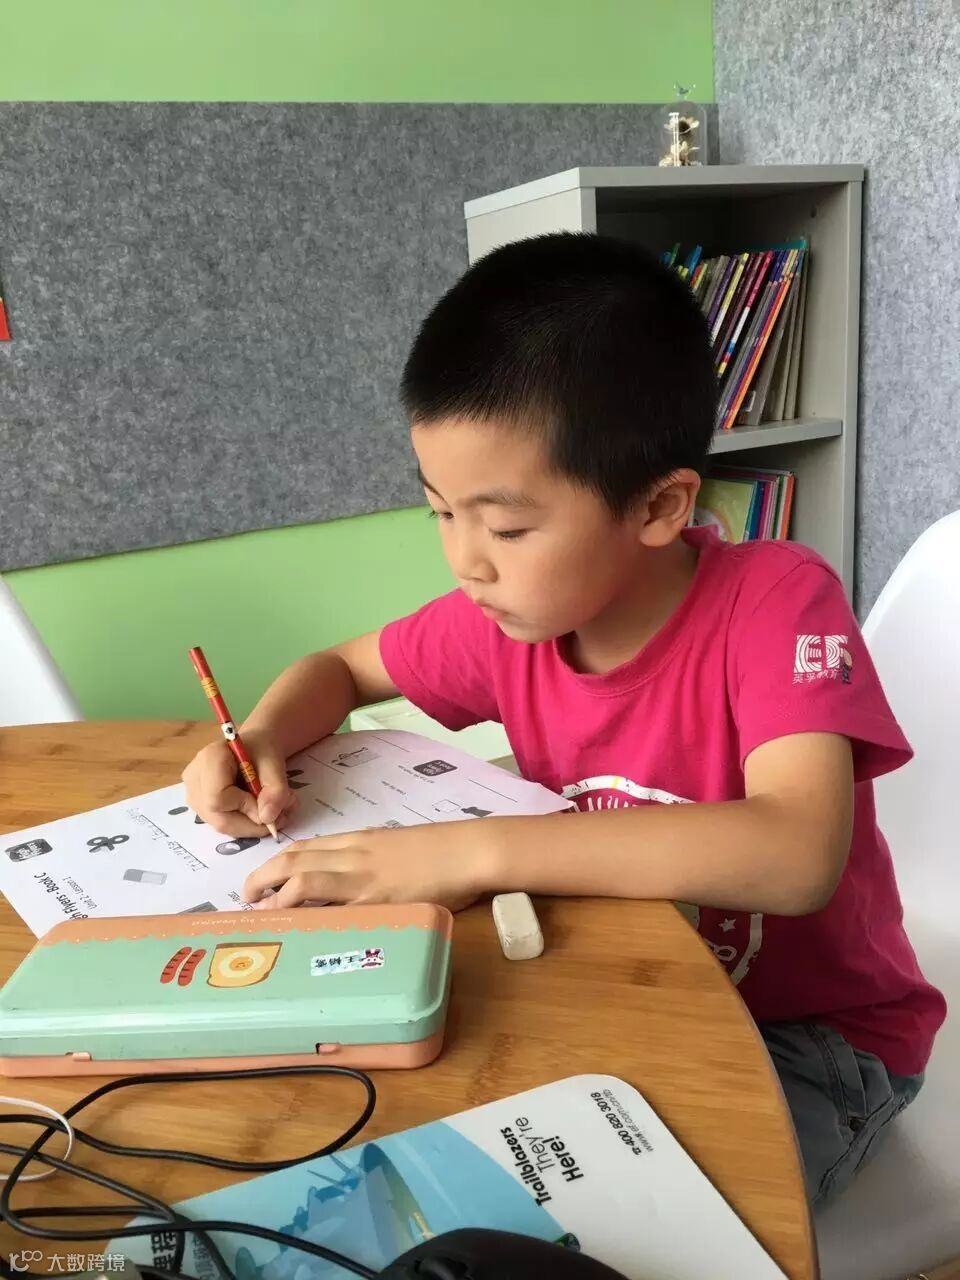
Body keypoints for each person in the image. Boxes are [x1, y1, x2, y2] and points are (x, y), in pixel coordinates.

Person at [183, 232, 944, 1206]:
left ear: (659, 506)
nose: (466, 561)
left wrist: (473, 853)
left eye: (506, 526)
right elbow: (337, 668)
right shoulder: (510, 619)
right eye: (441, 514)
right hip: (628, 988)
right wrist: (260, 733)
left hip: (811, 1041)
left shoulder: (776, 600)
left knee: (611, 1211)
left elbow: (796, 853)